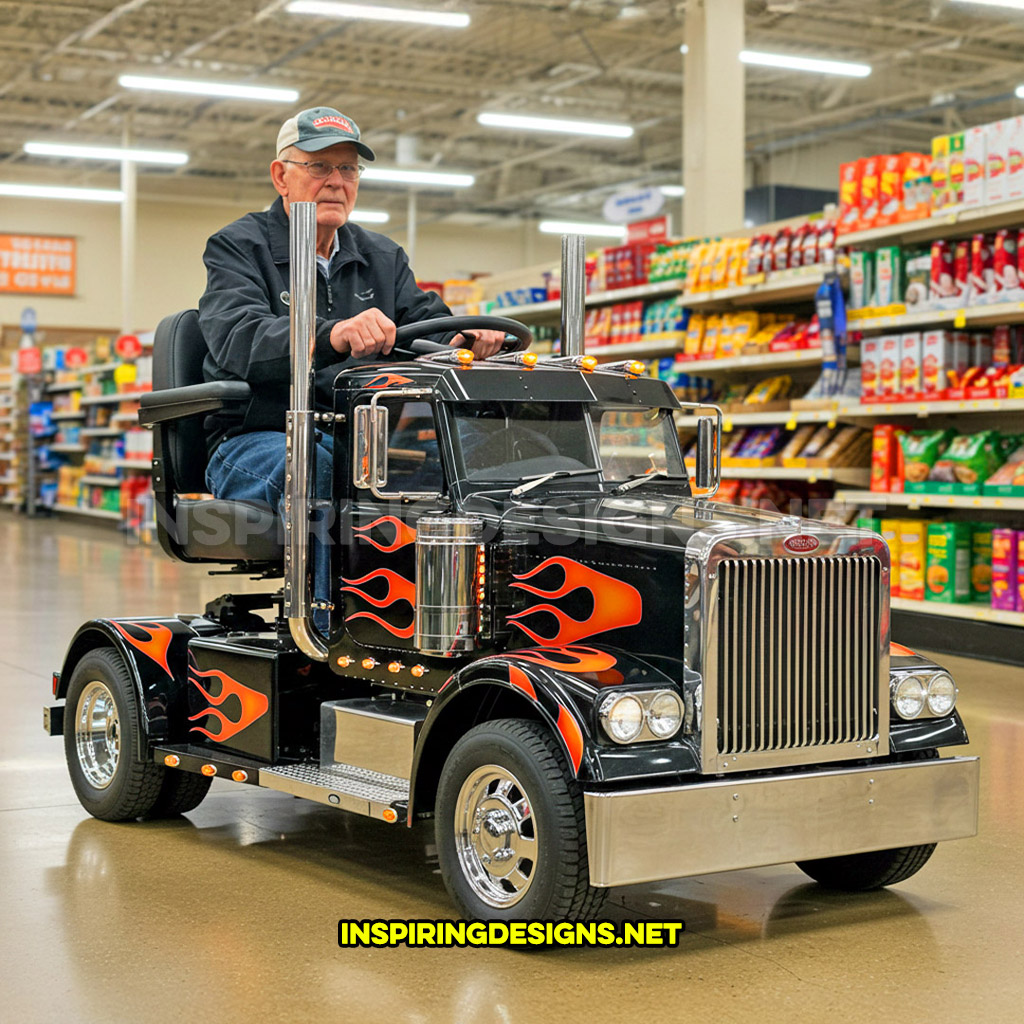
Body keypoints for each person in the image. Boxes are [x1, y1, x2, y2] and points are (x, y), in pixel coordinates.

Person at [198, 105, 505, 508]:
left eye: (348, 169)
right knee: (326, 479)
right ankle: (346, 574)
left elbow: (427, 325)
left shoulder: (382, 255)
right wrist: (333, 334)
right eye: (319, 166)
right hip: (260, 435)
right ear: (280, 176)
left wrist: (463, 338)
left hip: (368, 435)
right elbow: (239, 338)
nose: (336, 182)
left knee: (493, 460)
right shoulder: (238, 247)